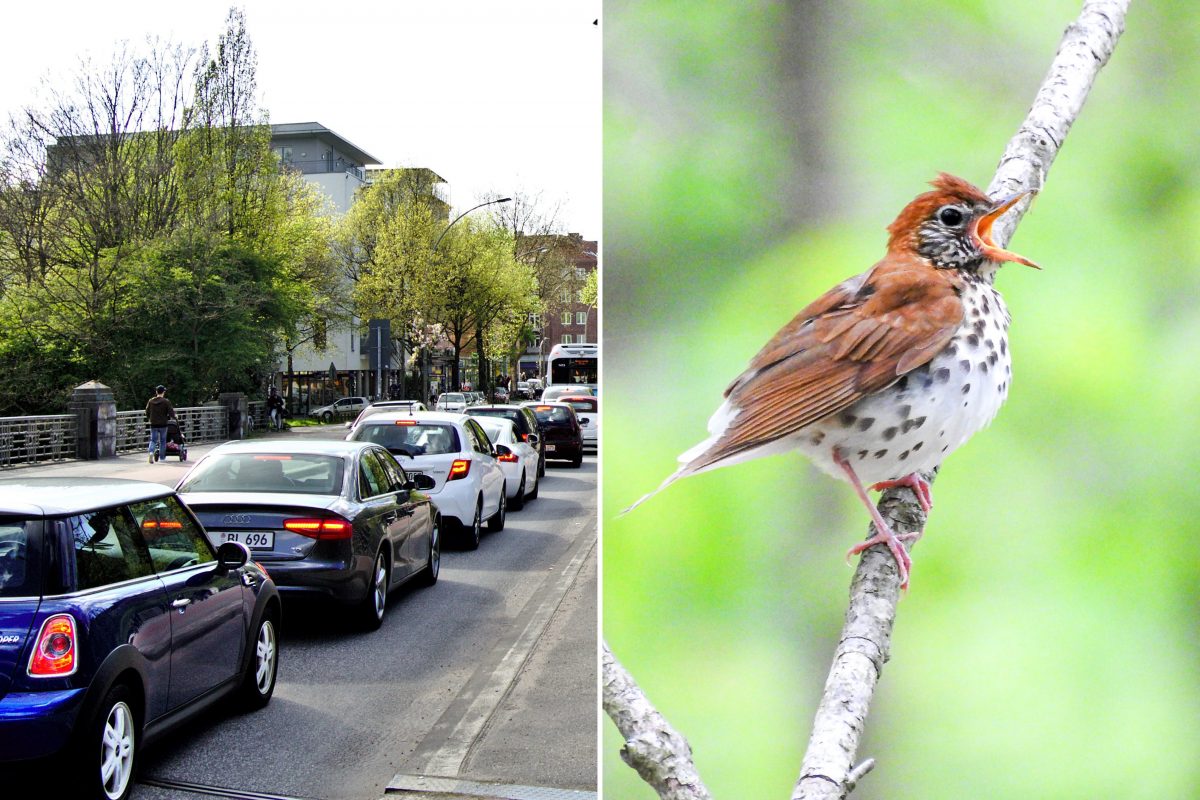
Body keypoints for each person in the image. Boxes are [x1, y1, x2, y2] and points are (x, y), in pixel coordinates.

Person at [145, 385, 174, 463]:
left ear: (156, 392)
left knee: (153, 440)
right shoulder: (166, 401)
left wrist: (150, 418)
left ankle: (151, 452)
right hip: (163, 424)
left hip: (153, 423)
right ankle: (162, 457)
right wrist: (174, 417)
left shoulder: (150, 401)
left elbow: (147, 412)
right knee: (163, 441)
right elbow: (171, 412)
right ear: (163, 392)